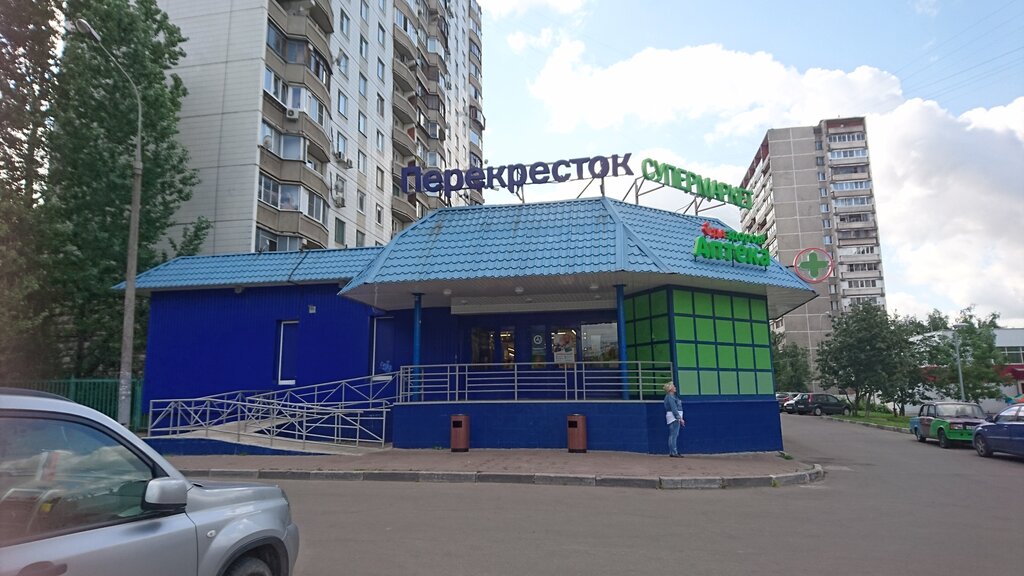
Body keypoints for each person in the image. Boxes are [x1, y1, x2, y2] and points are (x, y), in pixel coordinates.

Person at [663, 382, 685, 457]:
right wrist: (679, 418)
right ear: (670, 389)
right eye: (673, 386)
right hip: (674, 417)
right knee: (674, 435)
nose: (675, 387)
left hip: (673, 416)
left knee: (672, 435)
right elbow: (674, 408)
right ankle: (674, 452)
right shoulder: (671, 397)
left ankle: (672, 451)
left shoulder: (670, 396)